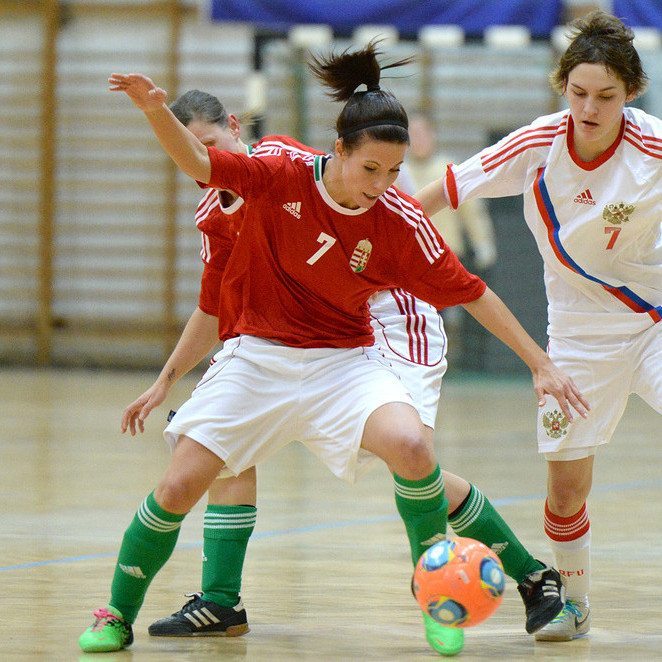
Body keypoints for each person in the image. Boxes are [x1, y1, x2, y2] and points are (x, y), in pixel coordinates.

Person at [80, 42, 588, 656]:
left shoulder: (373, 207)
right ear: (341, 151)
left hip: (367, 341)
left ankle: (457, 595)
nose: (382, 185)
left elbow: (472, 291)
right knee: (189, 479)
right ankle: (144, 609)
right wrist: (153, 111)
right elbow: (213, 294)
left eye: (394, 172)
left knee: (411, 450)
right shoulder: (244, 198)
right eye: (371, 170)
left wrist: (541, 364)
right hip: (261, 354)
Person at [415, 11, 660, 642]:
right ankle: (572, 603)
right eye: (578, 93)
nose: (589, 107)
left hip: (655, 320)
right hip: (577, 338)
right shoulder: (536, 144)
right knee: (565, 489)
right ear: (563, 88)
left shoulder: (654, 147)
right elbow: (443, 190)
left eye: (606, 96)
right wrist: (377, 235)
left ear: (630, 94)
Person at [397, 112, 497, 368]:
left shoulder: (448, 168)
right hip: (408, 260)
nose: (418, 140)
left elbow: (471, 210)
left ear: (433, 136)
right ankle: (416, 361)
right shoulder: (397, 170)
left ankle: (449, 363)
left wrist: (482, 243)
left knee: (447, 313)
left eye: (423, 134)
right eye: (413, 135)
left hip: (446, 254)